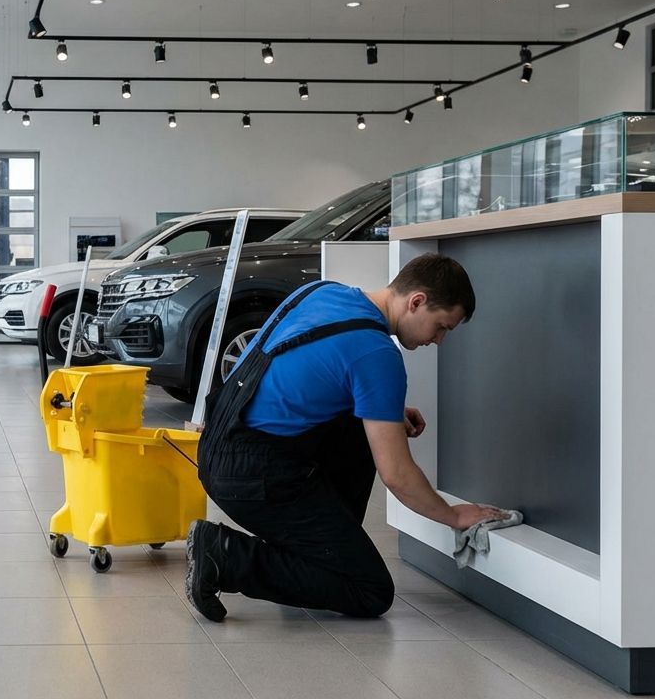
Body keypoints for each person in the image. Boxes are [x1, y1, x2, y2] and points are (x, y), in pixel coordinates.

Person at [185, 252, 506, 622]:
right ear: (416, 302)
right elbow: (397, 475)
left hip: (219, 445)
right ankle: (225, 555)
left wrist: (385, 410)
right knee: (369, 590)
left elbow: (300, 372)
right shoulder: (377, 354)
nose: (439, 340)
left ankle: (317, 549)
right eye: (442, 326)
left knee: (363, 424)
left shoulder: (322, 292)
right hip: (251, 473)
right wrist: (452, 515)